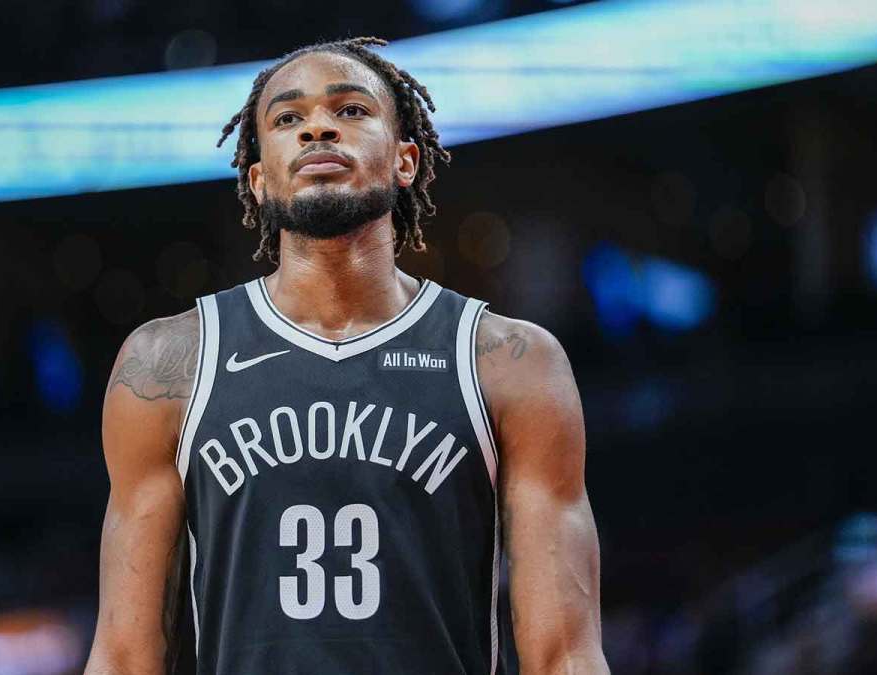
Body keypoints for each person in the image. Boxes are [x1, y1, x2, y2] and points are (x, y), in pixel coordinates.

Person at [85, 37, 608, 674]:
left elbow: (566, 654)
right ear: (258, 177)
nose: (318, 128)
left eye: (352, 110)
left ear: (405, 161)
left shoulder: (507, 360)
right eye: (287, 119)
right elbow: (123, 654)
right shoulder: (168, 363)